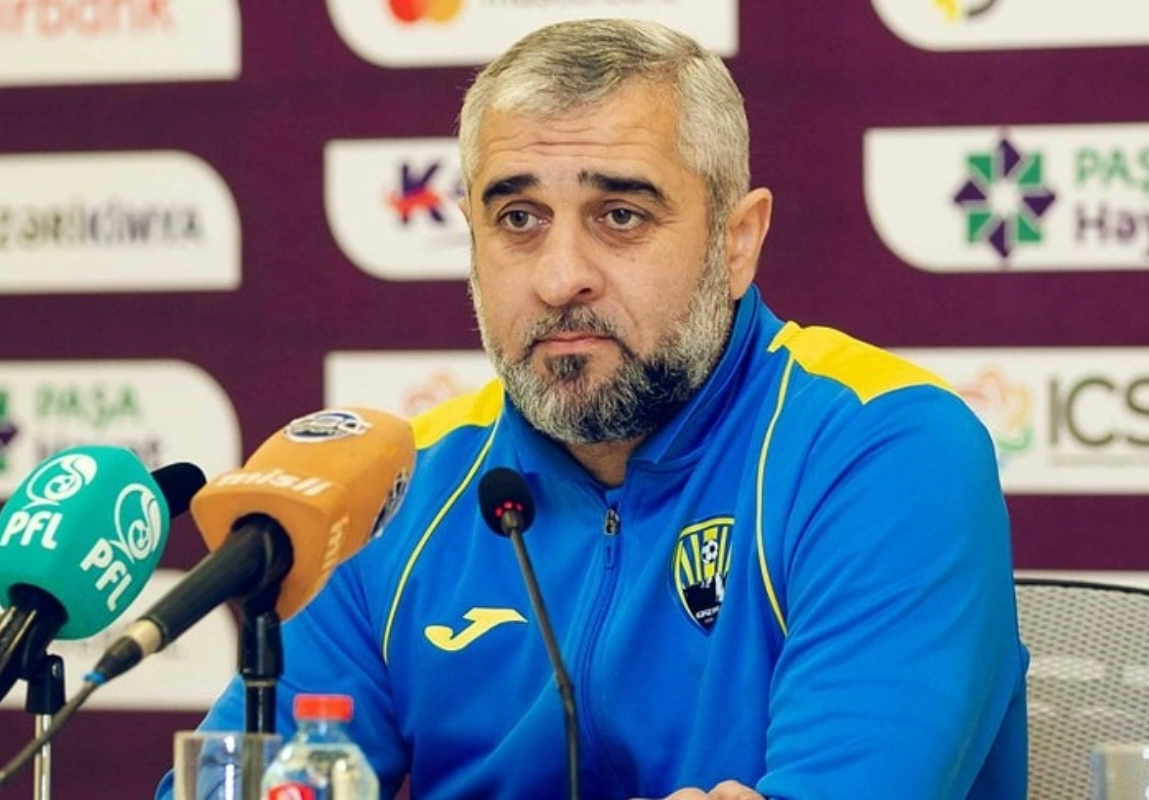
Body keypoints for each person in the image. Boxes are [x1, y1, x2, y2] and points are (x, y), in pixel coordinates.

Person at [159, 18, 1027, 799]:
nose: (559, 276)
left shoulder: (883, 448)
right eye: (519, 218)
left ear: (736, 241)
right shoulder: (392, 490)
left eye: (619, 215)